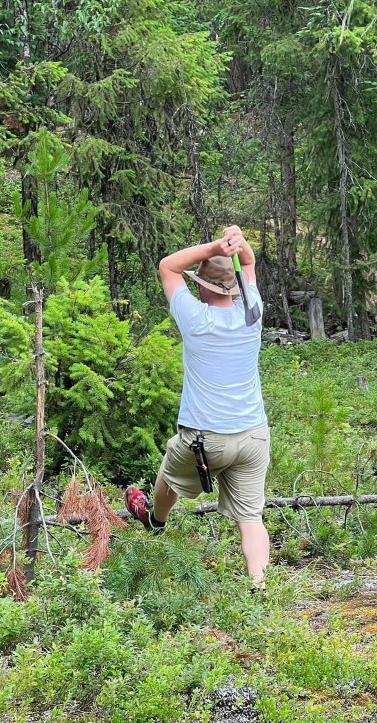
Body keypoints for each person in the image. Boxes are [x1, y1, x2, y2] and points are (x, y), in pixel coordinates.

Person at [124, 225, 271, 587]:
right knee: (251, 519)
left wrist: (214, 247)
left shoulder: (195, 319)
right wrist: (237, 243)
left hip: (205, 439)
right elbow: (248, 263)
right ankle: (260, 586)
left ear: (202, 286)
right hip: (253, 436)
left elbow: (168, 266)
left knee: (170, 471)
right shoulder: (252, 313)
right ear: (234, 286)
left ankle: (155, 520)